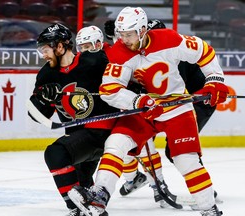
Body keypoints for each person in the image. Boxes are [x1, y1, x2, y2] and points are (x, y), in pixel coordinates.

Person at [68, 6, 228, 216]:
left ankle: (209, 209)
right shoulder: (119, 52)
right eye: (121, 34)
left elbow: (203, 51)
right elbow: (109, 90)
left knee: (185, 160)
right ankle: (99, 197)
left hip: (177, 108)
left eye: (129, 34)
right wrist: (137, 101)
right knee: (115, 144)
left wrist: (215, 79)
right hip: (143, 110)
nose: (124, 39)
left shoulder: (169, 39)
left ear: (143, 30)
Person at [104, 19, 218, 204]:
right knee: (129, 142)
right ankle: (156, 185)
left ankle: (206, 194)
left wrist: (214, 81)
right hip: (156, 106)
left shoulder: (172, 52)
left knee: (182, 153)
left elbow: (176, 85)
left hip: (198, 101)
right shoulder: (132, 53)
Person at [75, 25, 172, 206]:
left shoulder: (112, 55)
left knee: (144, 147)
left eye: (88, 46)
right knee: (119, 150)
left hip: (126, 108)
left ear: (97, 43)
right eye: (81, 48)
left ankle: (159, 186)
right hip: (106, 112)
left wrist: (134, 92)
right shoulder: (82, 62)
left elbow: (132, 78)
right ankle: (133, 178)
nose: (84, 51)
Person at [28, 23, 118, 216]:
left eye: (45, 49)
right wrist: (44, 99)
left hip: (102, 131)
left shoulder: (95, 61)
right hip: (78, 137)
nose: (43, 54)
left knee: (55, 154)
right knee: (80, 180)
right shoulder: (46, 74)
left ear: (60, 47)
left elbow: (125, 80)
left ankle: (77, 209)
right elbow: (34, 114)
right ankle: (90, 208)